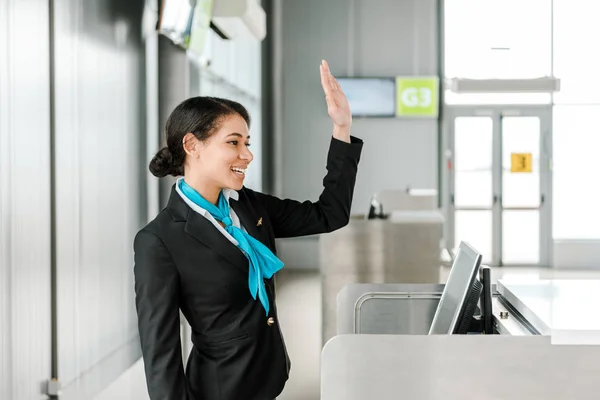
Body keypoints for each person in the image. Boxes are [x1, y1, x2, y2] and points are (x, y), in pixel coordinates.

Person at [133, 59, 363, 400]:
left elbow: (329, 214)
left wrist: (341, 129)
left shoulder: (247, 205)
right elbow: (160, 352)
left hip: (269, 377)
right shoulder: (159, 240)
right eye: (234, 142)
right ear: (192, 146)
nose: (247, 154)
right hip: (220, 389)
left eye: (247, 142)